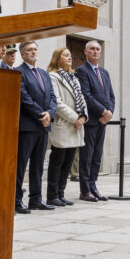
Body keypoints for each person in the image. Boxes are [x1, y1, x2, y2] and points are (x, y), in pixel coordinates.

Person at [15, 41, 56, 212]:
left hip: (43, 126)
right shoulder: (18, 72)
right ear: (22, 54)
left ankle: (36, 199)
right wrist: (42, 115)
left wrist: (50, 113)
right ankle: (16, 200)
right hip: (27, 126)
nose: (33, 52)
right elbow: (24, 98)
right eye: (28, 50)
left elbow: (52, 97)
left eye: (34, 49)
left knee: (38, 165)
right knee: (21, 165)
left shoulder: (44, 73)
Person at [47, 46, 86, 205]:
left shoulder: (73, 77)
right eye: (65, 55)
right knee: (57, 162)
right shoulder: (53, 76)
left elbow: (82, 100)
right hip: (64, 124)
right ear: (57, 58)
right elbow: (57, 102)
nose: (69, 57)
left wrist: (83, 116)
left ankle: (61, 193)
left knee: (68, 161)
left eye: (70, 55)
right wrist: (75, 118)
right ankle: (52, 195)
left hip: (76, 126)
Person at [75, 40, 114, 200]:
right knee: (87, 156)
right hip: (91, 120)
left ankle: (93, 186)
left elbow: (111, 95)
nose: (95, 51)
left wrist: (110, 112)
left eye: (98, 49)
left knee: (97, 155)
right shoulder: (81, 71)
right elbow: (86, 95)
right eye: (92, 49)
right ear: (85, 52)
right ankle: (85, 191)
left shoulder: (104, 72)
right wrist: (102, 111)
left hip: (103, 121)